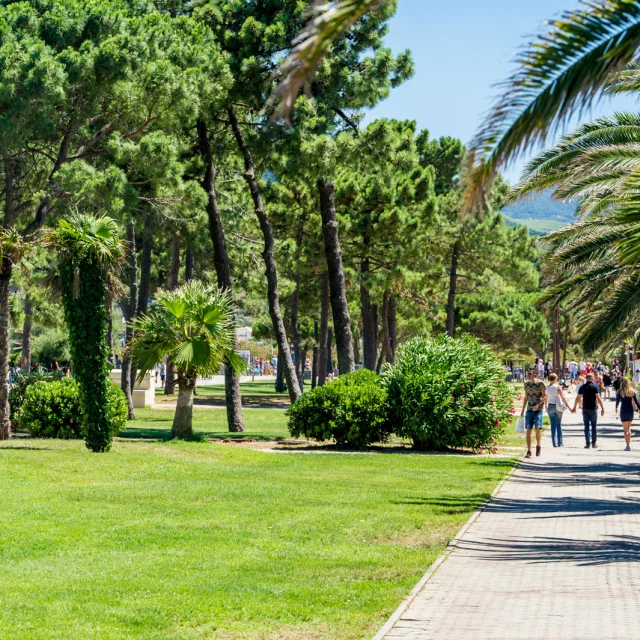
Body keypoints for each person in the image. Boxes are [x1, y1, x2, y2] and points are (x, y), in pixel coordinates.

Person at [572, 373, 605, 449]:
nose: (594, 378)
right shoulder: (595, 386)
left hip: (585, 408)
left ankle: (587, 443)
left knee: (586, 426)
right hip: (593, 408)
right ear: (591, 378)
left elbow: (578, 397)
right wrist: (602, 407)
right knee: (594, 426)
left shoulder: (582, 387)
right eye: (593, 377)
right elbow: (598, 398)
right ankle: (594, 443)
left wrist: (574, 407)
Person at [520, 366, 547, 459]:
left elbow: (544, 397)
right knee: (528, 430)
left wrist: (537, 405)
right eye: (528, 373)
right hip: (529, 409)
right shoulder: (526, 384)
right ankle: (529, 451)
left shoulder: (540, 383)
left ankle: (538, 445)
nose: (529, 375)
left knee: (537, 429)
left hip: (538, 410)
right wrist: (523, 409)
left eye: (530, 373)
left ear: (535, 374)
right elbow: (526, 397)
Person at [545, 373, 570, 448]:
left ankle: (554, 443)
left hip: (550, 406)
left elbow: (545, 397)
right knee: (559, 424)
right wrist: (568, 407)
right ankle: (560, 442)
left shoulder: (546, 387)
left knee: (553, 425)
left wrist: (546, 406)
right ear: (555, 379)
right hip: (558, 406)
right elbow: (562, 397)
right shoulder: (558, 387)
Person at [615, 377, 639, 452]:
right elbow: (637, 402)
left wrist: (616, 408)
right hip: (630, 410)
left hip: (623, 411)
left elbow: (617, 401)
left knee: (625, 429)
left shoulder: (620, 391)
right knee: (629, 428)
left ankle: (627, 445)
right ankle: (629, 445)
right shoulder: (632, 392)